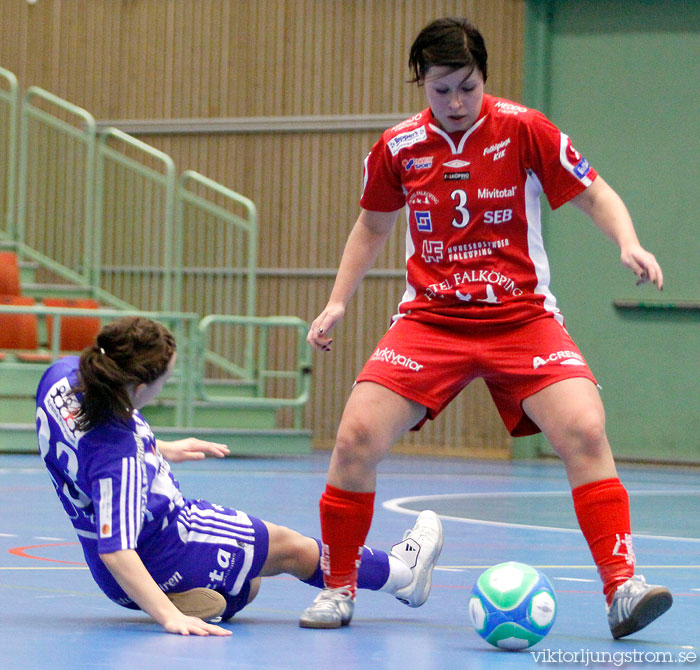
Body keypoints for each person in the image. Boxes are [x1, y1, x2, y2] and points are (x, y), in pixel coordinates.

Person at [300, 17, 672, 639]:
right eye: (441, 89)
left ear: (484, 80)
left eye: (467, 88)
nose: (454, 103)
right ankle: (339, 586)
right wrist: (338, 302)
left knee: (583, 427)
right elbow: (371, 228)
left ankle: (623, 587)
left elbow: (594, 192)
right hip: (431, 320)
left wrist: (628, 242)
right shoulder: (396, 149)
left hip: (520, 317)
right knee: (355, 437)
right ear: (422, 83)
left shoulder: (524, 129)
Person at [36, 315, 444, 636]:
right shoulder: (118, 455)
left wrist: (158, 449)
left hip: (122, 566)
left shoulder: (60, 378)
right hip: (167, 544)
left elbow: (83, 453)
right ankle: (403, 576)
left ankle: (215, 592)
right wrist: (166, 619)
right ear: (138, 388)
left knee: (249, 585)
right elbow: (117, 548)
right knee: (293, 550)